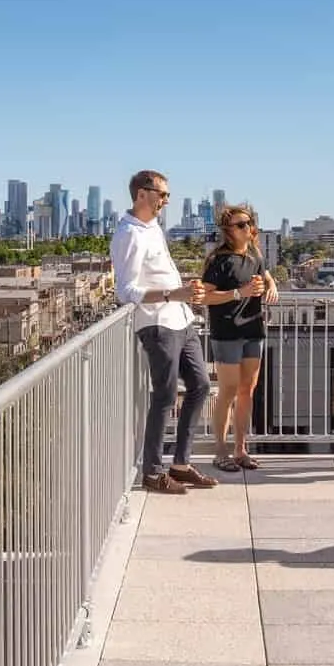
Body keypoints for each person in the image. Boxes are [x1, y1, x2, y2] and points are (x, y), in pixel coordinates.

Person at [110, 169, 218, 495]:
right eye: (162, 194)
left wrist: (185, 293)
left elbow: (159, 275)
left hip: (181, 320)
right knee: (165, 396)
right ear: (141, 194)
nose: (166, 200)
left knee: (199, 385)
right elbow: (126, 291)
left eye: (168, 195)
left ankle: (181, 465)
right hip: (156, 323)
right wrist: (174, 294)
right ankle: (153, 472)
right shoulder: (128, 234)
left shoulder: (153, 228)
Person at [200, 204, 279, 473]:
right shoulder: (218, 260)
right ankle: (220, 451)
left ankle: (240, 449)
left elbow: (266, 275)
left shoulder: (255, 253)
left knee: (247, 391)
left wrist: (272, 286)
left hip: (253, 330)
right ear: (228, 231)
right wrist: (238, 293)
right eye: (241, 225)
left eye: (249, 223)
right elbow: (204, 296)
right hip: (227, 333)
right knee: (228, 391)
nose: (247, 228)